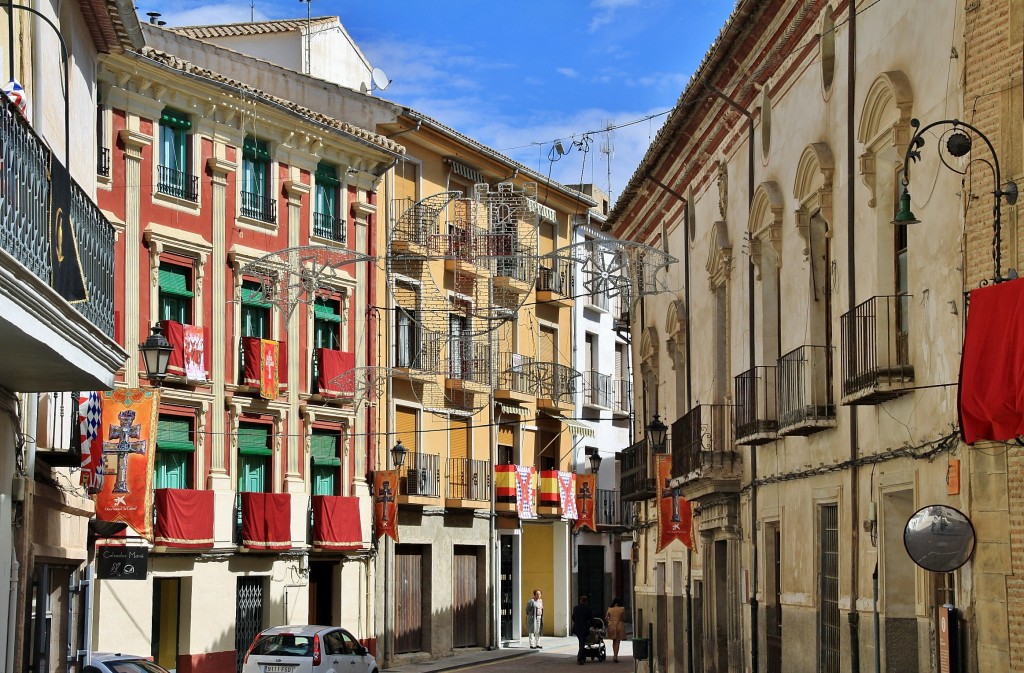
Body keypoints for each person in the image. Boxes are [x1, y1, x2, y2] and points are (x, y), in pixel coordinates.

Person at [571, 595, 594, 665]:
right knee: (582, 644)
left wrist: (577, 622)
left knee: (581, 643)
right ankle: (580, 658)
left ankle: (582, 657)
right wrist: (589, 626)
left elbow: (573, 617)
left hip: (577, 628)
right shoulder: (588, 608)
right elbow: (591, 619)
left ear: (580, 601)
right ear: (586, 602)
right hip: (584, 629)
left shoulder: (576, 608)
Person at [605, 598, 627, 662]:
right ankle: (615, 656)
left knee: (614, 640)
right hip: (619, 624)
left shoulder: (610, 609)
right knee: (618, 641)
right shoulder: (622, 609)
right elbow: (624, 618)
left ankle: (614, 654)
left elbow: (606, 617)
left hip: (612, 625)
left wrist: (610, 621)